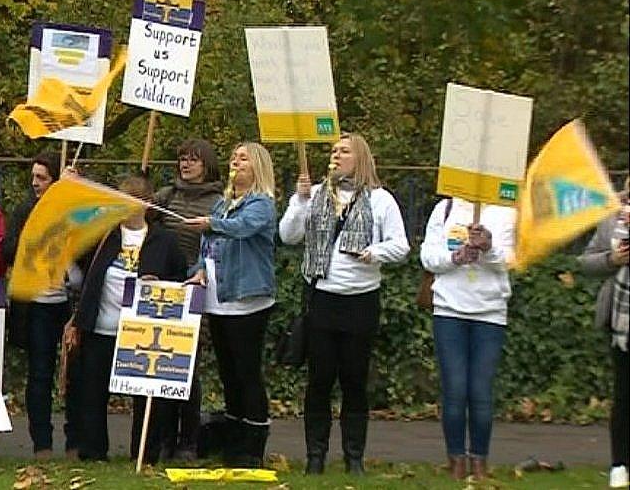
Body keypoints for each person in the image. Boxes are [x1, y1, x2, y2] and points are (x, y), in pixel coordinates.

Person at [279, 132, 409, 475]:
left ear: (360, 158)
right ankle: (315, 457)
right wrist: (299, 200)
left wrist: (374, 252)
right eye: (333, 150)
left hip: (360, 302)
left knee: (354, 381)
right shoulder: (318, 194)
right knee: (319, 381)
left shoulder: (381, 200)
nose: (335, 156)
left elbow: (401, 245)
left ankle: (354, 458)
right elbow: (288, 235)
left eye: (344, 151)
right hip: (321, 300)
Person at [74, 176, 188, 462]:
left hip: (141, 332)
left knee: (144, 394)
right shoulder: (103, 235)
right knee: (93, 392)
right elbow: (75, 250)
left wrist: (157, 282)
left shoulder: (163, 240)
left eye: (131, 202)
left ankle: (144, 453)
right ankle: (93, 451)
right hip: (101, 326)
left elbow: (179, 278)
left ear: (146, 205)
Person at [184, 141, 277, 468]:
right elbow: (206, 249)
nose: (236, 162)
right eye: (234, 157)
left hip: (247, 300)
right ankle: (233, 438)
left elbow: (242, 229)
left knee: (247, 372)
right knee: (228, 373)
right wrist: (197, 272)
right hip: (218, 300)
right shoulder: (223, 204)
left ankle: (253, 444)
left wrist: (211, 223)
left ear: (257, 168)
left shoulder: (261, 204)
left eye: (244, 158)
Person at [420, 196, 516, 480]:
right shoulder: (445, 209)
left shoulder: (505, 212)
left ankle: (479, 461)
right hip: (449, 310)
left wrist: (488, 247)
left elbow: (509, 260)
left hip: (490, 313)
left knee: (480, 391)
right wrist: (455, 258)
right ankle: (456, 460)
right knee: (455, 388)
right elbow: (428, 256)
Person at [2, 151, 84, 459]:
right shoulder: (26, 210)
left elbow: (92, 247)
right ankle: (42, 443)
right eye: (33, 177)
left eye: (42, 178)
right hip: (37, 306)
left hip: (70, 305)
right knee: (39, 373)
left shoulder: (79, 211)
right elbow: (8, 249)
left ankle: (75, 440)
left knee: (73, 374)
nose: (36, 183)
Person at [153, 138, 223, 460]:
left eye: (193, 160)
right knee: (163, 365)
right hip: (164, 292)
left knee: (188, 370)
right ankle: (164, 438)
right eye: (182, 159)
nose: (185, 165)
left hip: (198, 292)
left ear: (206, 164)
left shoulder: (219, 203)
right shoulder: (167, 196)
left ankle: (188, 441)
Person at [579, 177, 629, 489]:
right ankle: (619, 464)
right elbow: (586, 261)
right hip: (621, 321)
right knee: (624, 396)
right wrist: (613, 259)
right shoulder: (611, 218)